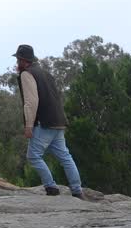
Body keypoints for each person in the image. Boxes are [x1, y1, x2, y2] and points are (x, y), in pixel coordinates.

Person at [13, 44, 84, 198]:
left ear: (22, 60)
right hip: (58, 121)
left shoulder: (26, 74)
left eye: (18, 60)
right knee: (65, 157)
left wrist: (29, 125)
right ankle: (77, 190)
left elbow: (31, 101)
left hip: (44, 122)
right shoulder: (46, 73)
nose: (17, 64)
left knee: (33, 156)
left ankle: (51, 188)